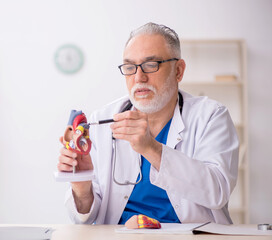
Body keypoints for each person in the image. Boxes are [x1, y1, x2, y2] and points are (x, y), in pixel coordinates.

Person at [57, 22, 239, 225]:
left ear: (178, 71)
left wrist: (151, 148)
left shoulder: (211, 116)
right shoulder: (103, 120)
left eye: (151, 65)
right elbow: (86, 217)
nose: (139, 77)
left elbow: (218, 191)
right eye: (129, 67)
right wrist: (82, 188)